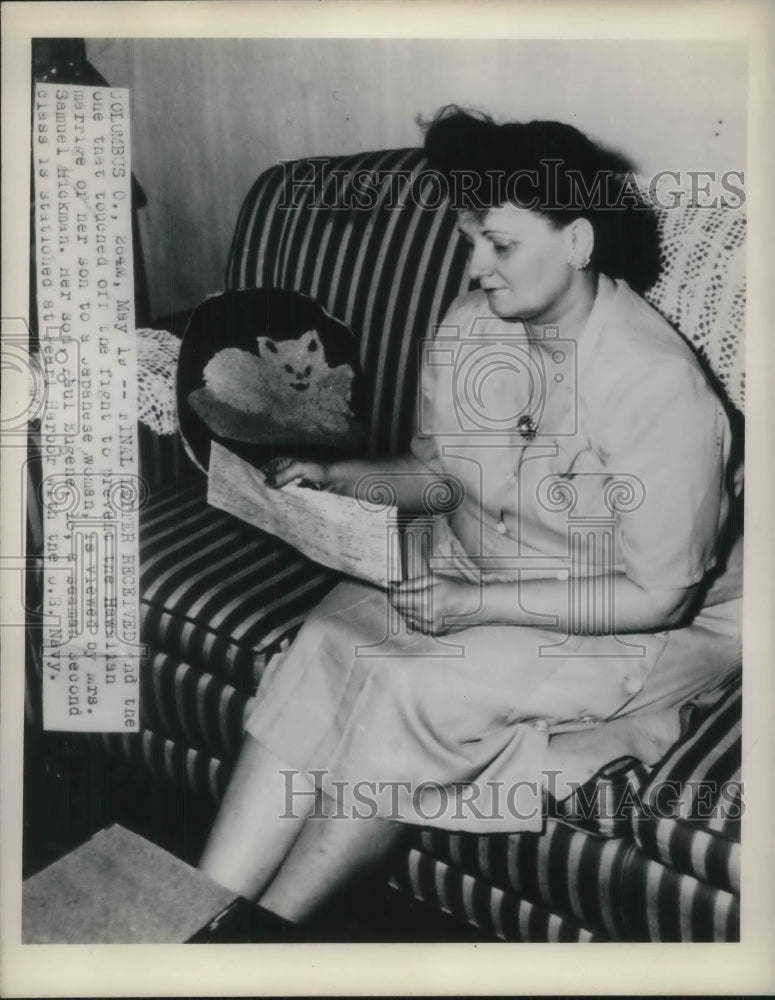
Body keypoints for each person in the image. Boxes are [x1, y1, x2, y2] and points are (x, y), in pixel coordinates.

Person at [199, 109, 743, 929]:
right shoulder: (469, 327)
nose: (474, 265)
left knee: (401, 684)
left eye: (499, 244)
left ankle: (255, 943)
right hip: (484, 567)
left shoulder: (656, 386)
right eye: (467, 240)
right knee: (324, 644)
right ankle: (194, 911)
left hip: (629, 621)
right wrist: (337, 475)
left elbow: (657, 597)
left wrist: (473, 606)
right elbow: (438, 475)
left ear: (579, 243)